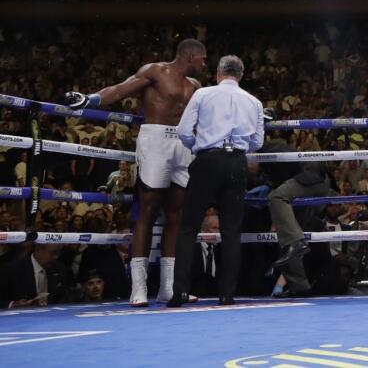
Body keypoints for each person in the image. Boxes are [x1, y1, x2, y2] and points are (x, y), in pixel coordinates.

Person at [63, 38, 207, 306]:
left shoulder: (196, 87)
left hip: (184, 143)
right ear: (190, 55)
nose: (204, 64)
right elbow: (121, 89)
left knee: (176, 214)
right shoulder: (155, 71)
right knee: (148, 210)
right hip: (154, 139)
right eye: (202, 59)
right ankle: (138, 288)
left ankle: (168, 288)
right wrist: (90, 99)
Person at [167, 55, 264, 306]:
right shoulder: (254, 102)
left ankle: (178, 293)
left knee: (188, 227)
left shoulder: (203, 94)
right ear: (240, 76)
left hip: (207, 160)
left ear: (219, 73)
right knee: (231, 231)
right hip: (236, 164)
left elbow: (183, 132)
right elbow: (257, 143)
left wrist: (200, 147)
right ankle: (226, 294)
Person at [262, 136, 332, 298]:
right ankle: (299, 285)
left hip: (311, 178)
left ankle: (296, 242)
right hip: (305, 185)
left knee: (276, 197)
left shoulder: (269, 149)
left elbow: (281, 175)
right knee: (285, 236)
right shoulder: (265, 159)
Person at [1, 244, 68, 307]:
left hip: (54, 317)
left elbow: (63, 297)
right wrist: (13, 304)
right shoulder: (12, 269)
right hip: (20, 317)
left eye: (58, 253)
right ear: (38, 249)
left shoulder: (60, 269)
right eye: (53, 253)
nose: (56, 257)